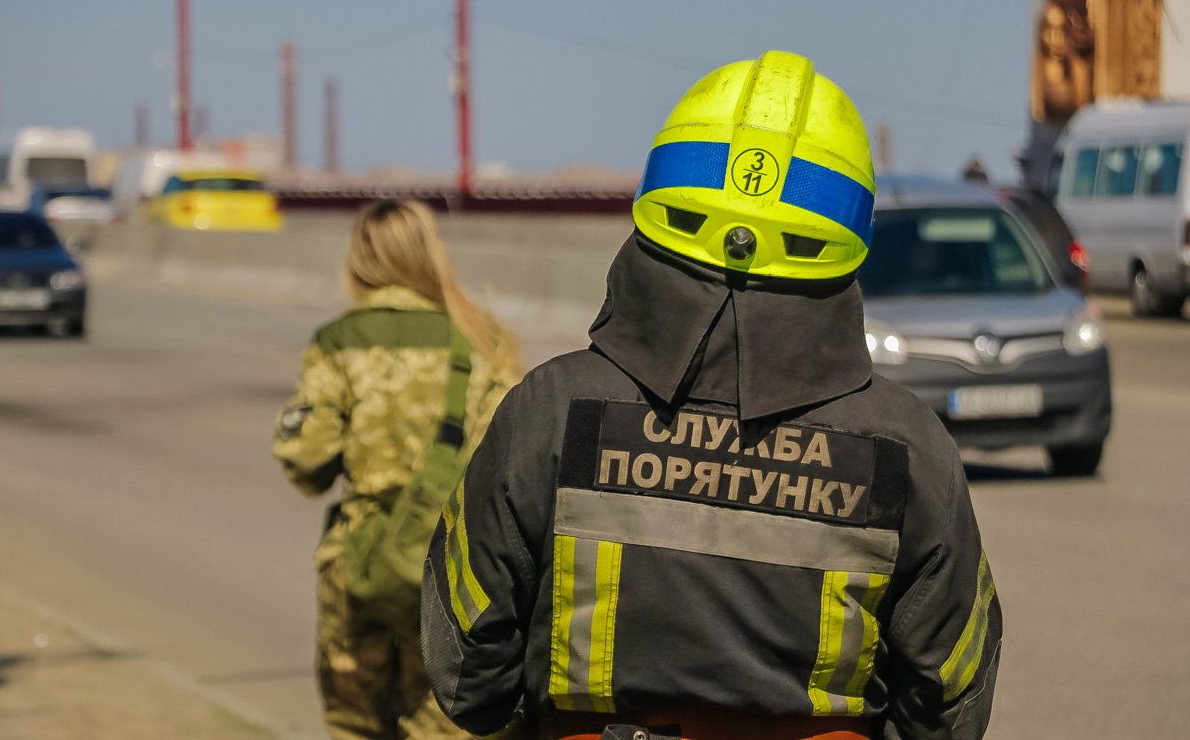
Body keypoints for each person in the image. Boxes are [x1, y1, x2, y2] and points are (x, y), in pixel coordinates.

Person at [421, 51, 1002, 740]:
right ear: (848, 228)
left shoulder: (549, 411)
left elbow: (465, 672)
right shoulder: (908, 449)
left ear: (664, 192)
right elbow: (951, 703)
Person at [273, 199, 520, 740]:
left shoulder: (339, 341)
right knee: (445, 725)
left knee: (356, 726)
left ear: (360, 258)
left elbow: (305, 462)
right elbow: (512, 468)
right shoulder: (485, 340)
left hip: (361, 567)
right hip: (459, 570)